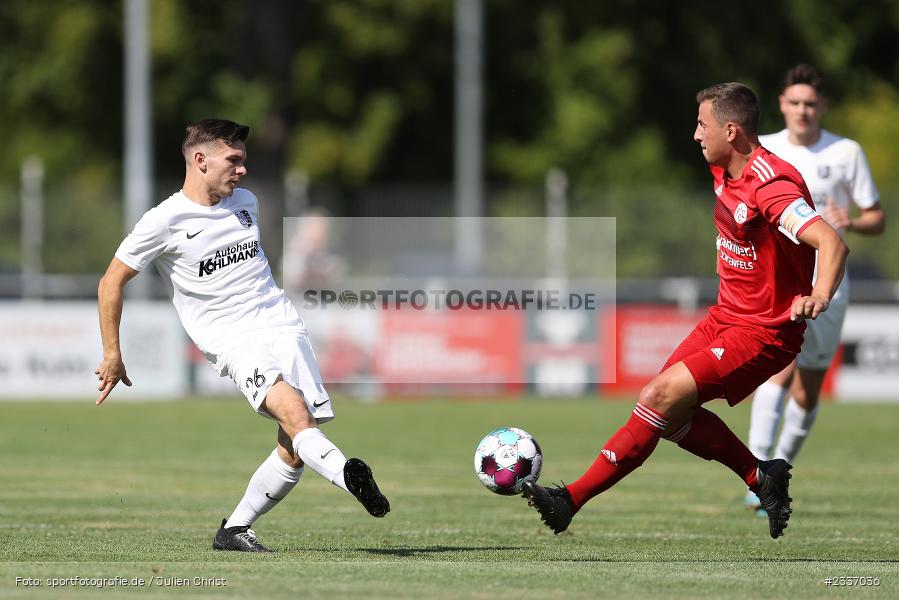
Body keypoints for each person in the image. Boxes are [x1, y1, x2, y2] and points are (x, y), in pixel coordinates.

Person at [521, 83, 847, 539]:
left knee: (658, 398)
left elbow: (831, 241)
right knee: (663, 411)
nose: (695, 134)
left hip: (763, 332)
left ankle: (569, 500)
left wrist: (820, 293)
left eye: (702, 125)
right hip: (724, 317)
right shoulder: (724, 169)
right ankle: (760, 477)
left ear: (731, 131)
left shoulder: (770, 186)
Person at [95, 119, 390, 552]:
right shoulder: (164, 221)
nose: (242, 170)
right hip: (233, 341)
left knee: (294, 444)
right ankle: (351, 477)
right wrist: (112, 353)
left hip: (283, 325)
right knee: (295, 414)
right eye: (233, 160)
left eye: (244, 161)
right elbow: (110, 282)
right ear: (200, 161)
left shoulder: (246, 202)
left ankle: (234, 530)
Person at [743, 64, 886, 513]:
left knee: (808, 388)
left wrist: (854, 221)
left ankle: (778, 472)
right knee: (777, 371)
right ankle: (756, 480)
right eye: (795, 102)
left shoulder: (846, 152)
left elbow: (877, 216)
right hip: (782, 280)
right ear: (782, 104)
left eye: (810, 103)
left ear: (821, 106)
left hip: (831, 284)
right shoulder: (763, 149)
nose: (803, 110)